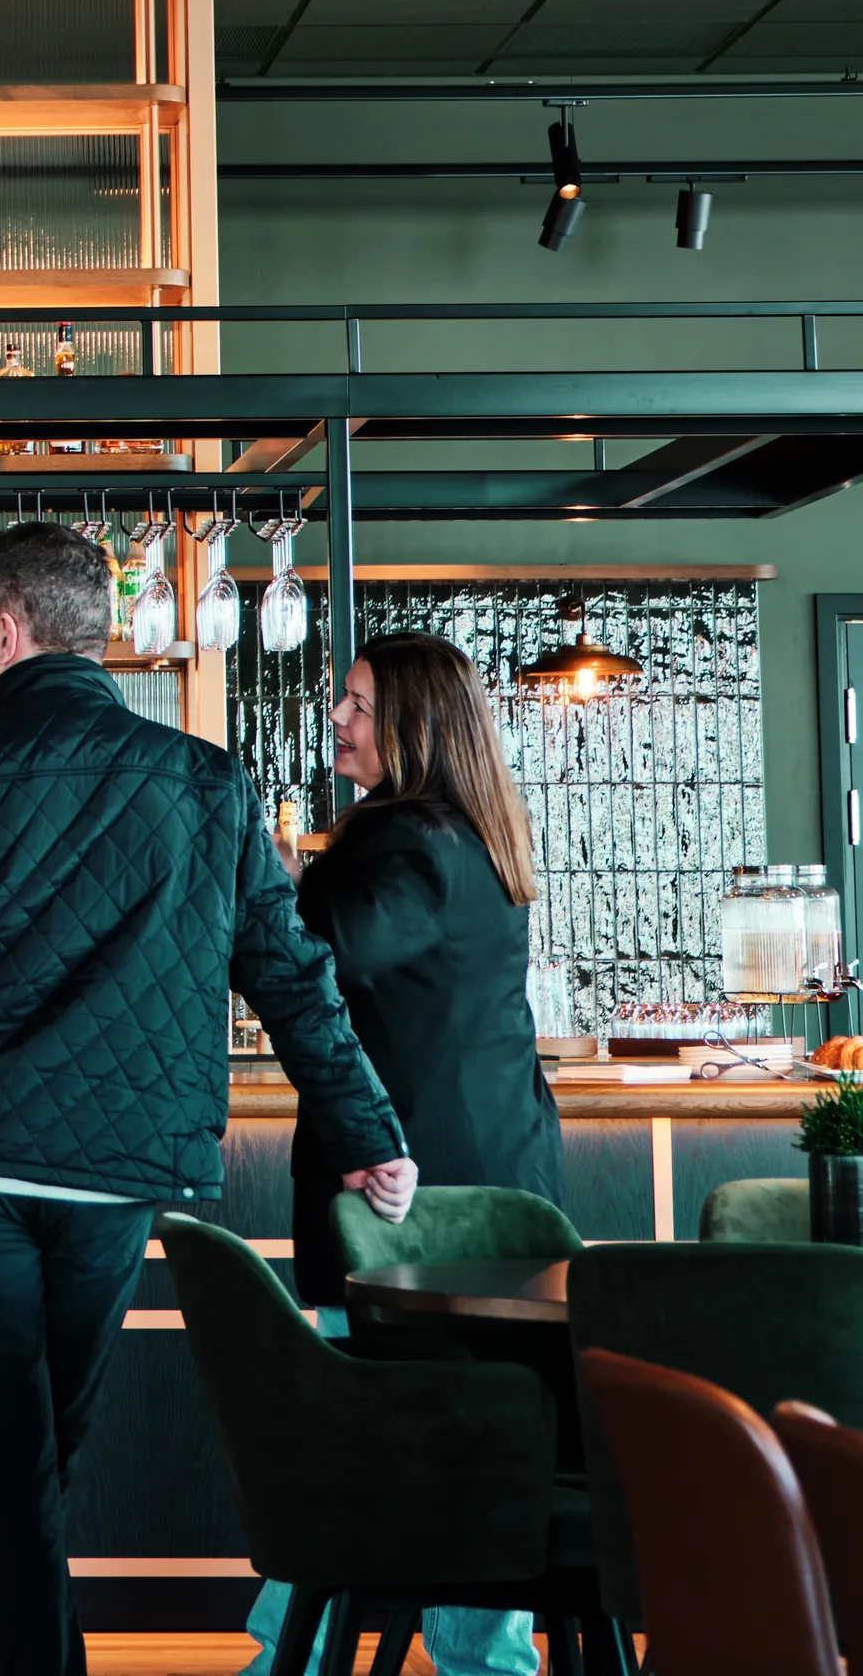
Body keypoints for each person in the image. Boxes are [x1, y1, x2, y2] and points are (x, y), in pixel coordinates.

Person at [0, 521, 416, 1676]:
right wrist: (366, 1124)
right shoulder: (203, 782)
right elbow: (290, 971)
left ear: (3, 627)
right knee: (41, 1439)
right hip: (121, 1163)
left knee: (4, 1445)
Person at [244, 630, 563, 1676]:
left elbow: (322, 959)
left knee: (365, 1432)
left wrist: (267, 883)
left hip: (411, 1197)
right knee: (451, 1435)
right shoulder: (473, 830)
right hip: (496, 1175)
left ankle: (466, 1661)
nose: (337, 717)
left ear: (416, 720)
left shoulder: (404, 839)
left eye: (357, 702)